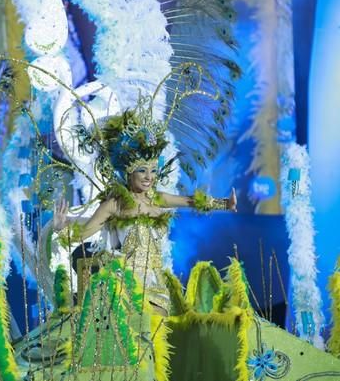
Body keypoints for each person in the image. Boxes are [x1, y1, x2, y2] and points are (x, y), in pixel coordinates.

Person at [50, 108, 237, 316]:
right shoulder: (115, 204)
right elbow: (85, 233)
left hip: (156, 283)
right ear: (129, 171)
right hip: (125, 284)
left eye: (153, 170)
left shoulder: (158, 199)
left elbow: (191, 201)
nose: (149, 177)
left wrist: (224, 204)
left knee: (160, 330)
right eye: (142, 170)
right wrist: (60, 228)